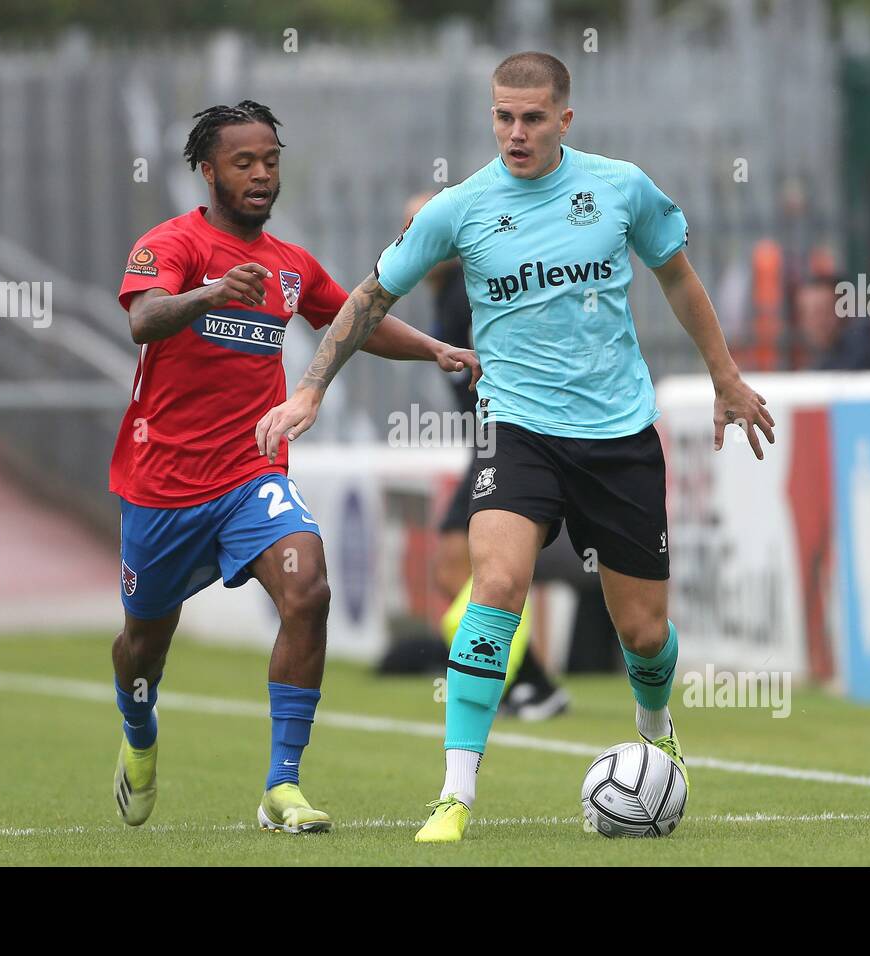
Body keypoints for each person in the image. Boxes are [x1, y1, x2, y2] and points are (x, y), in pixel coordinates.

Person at [257, 53, 774, 842]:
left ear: (564, 119)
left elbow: (677, 278)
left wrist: (726, 378)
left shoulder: (620, 187)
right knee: (495, 583)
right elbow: (369, 297)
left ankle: (656, 725)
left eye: (532, 118)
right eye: (503, 116)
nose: (516, 132)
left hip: (619, 431)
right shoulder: (460, 209)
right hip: (516, 426)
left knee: (643, 632)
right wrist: (312, 388)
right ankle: (454, 794)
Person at [109, 102, 478, 834]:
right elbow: (144, 319)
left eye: (271, 161)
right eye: (244, 163)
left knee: (307, 588)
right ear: (208, 172)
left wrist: (434, 348)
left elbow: (355, 317)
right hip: (161, 487)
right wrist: (211, 293)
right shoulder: (170, 244)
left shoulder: (290, 264)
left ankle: (282, 784)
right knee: (144, 645)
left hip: (253, 472)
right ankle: (140, 736)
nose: (261, 175)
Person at [399, 191, 570, 720]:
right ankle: (530, 684)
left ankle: (529, 685)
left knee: (471, 568)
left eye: (430, 226)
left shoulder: (470, 288)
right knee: (455, 569)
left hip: (511, 438)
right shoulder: (445, 292)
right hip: (488, 441)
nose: (422, 238)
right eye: (411, 227)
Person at [794, 275, 870, 370]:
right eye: (806, 313)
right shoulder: (821, 361)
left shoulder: (865, 355)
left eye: (823, 311)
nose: (815, 322)